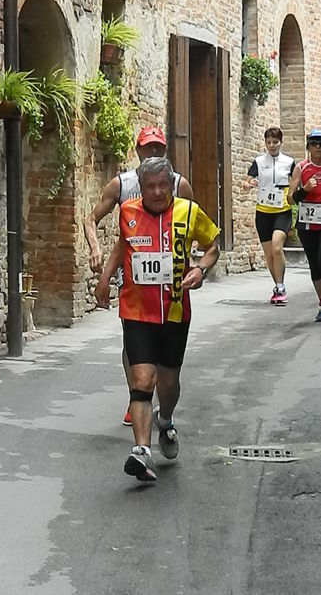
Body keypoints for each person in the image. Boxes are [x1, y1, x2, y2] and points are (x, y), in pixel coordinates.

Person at [95, 157, 220, 482]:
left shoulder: (189, 211)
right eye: (150, 186)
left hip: (175, 311)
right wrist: (106, 279)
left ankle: (165, 419)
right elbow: (122, 247)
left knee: (167, 382)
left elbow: (212, 246)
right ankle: (142, 451)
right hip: (136, 310)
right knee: (142, 380)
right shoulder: (128, 211)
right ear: (142, 186)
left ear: (170, 184)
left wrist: (200, 269)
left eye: (163, 185)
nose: (157, 192)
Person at [84, 126, 194, 427]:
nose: (154, 153)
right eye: (148, 148)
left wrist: (192, 263)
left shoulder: (178, 184)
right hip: (132, 275)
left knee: (166, 362)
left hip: (169, 283)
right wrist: (95, 250)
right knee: (133, 341)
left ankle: (159, 405)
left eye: (159, 148)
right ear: (137, 151)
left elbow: (194, 223)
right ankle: (137, 396)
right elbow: (91, 218)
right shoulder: (121, 184)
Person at [246, 127, 295, 304]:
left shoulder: (289, 162)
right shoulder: (259, 161)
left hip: (282, 211)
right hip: (263, 212)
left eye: (275, 142)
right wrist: (250, 183)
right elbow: (248, 180)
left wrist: (294, 195)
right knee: (268, 254)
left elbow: (295, 181)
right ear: (265, 143)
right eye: (268, 142)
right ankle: (278, 286)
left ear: (281, 142)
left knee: (276, 248)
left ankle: (280, 286)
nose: (272, 145)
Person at [288, 128, 321, 322]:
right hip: (308, 224)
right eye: (314, 144)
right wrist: (305, 190)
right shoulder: (301, 168)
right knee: (315, 265)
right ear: (308, 147)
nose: (318, 148)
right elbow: (290, 199)